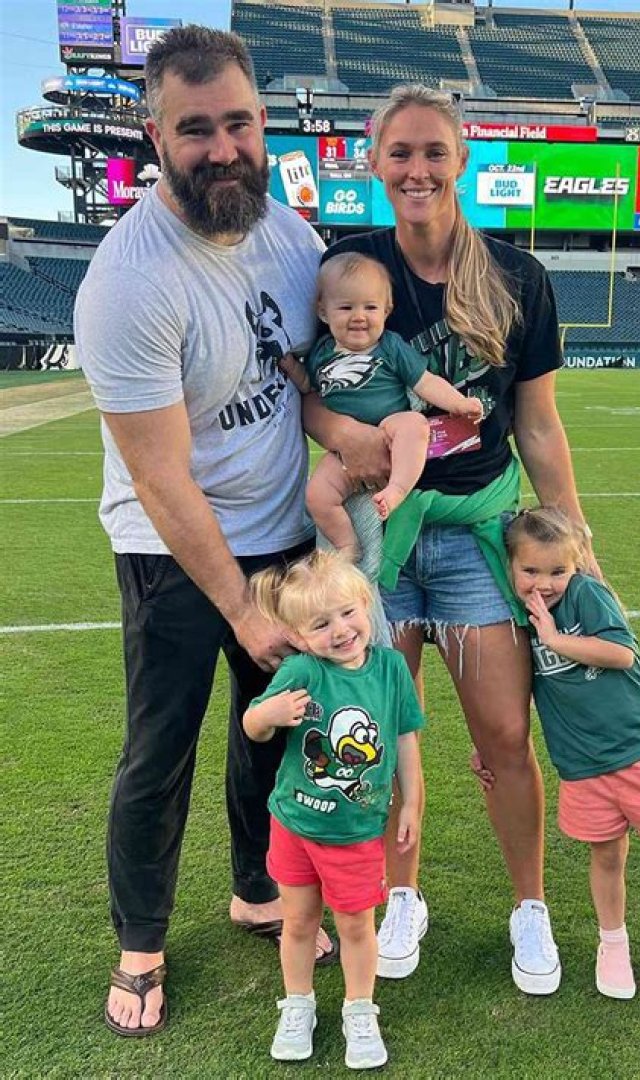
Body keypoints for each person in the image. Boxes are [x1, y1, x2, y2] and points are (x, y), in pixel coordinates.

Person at [75, 25, 359, 1037]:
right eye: (195, 129)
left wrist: (358, 447)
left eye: (238, 123)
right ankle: (141, 943)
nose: (222, 148)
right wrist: (239, 605)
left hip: (283, 538)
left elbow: (311, 383)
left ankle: (255, 886)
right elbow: (159, 476)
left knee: (278, 730)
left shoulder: (291, 238)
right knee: (161, 748)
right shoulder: (128, 280)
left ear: (262, 121)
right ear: (156, 136)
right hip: (173, 550)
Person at [302, 84, 599, 991]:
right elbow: (310, 392)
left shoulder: (517, 275)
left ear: (461, 159)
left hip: (477, 534)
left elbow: (537, 423)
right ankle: (403, 897)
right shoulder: (349, 265)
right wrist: (344, 435)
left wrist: (576, 537)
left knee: (505, 734)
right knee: (378, 727)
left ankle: (530, 908)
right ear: (374, 161)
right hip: (378, 534)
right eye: (400, 152)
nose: (418, 169)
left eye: (435, 151)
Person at [504, 508, 640, 1000]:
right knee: (606, 855)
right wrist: (493, 745)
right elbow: (519, 689)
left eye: (558, 570)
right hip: (583, 766)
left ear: (575, 565)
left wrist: (555, 638)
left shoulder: (585, 594)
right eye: (530, 570)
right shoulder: (517, 616)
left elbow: (622, 654)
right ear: (510, 565)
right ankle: (612, 942)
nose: (545, 583)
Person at [243, 550, 423, 1068]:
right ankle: (298, 1004)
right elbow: (253, 725)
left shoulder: (391, 669)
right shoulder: (302, 670)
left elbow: (405, 740)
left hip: (357, 832)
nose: (341, 630)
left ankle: (359, 1011)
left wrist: (412, 802)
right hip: (296, 825)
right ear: (299, 636)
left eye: (347, 613)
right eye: (321, 624)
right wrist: (270, 712)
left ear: (366, 604)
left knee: (357, 927)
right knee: (299, 922)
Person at [281, 252, 482, 557]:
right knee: (317, 496)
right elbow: (309, 386)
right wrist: (292, 368)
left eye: (370, 307)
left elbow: (425, 382)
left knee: (414, 424)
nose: (358, 316)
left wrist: (459, 403)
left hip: (390, 429)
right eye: (346, 307)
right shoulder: (321, 352)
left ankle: (396, 489)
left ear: (387, 311)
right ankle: (347, 545)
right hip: (345, 452)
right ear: (323, 312)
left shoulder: (389, 346)